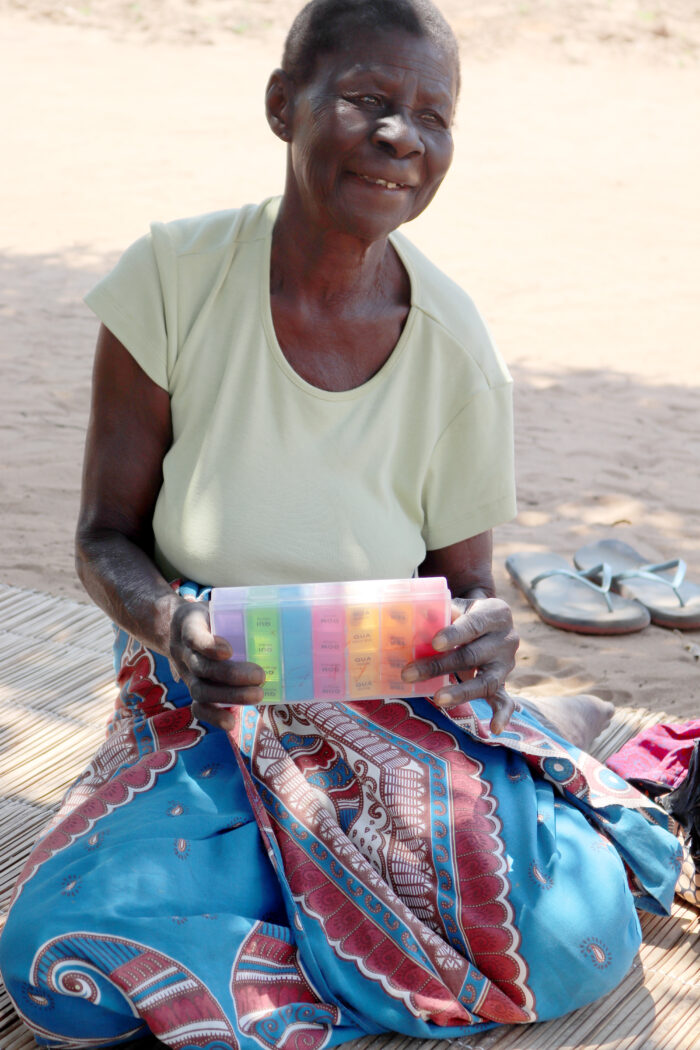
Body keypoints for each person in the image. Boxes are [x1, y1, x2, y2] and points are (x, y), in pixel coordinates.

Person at [0, 1, 682, 1047]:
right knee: (61, 966)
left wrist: (483, 634)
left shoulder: (456, 345)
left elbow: (465, 588)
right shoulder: (172, 277)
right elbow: (104, 536)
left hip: (380, 695)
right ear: (284, 104)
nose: (401, 137)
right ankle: (334, 910)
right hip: (198, 689)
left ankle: (516, 759)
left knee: (564, 934)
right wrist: (170, 623)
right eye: (367, 99)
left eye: (433, 115)